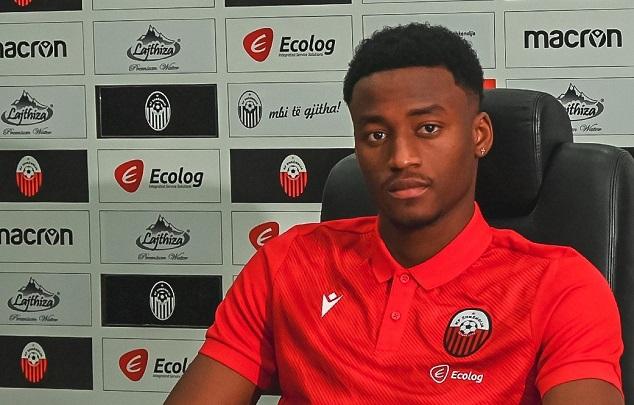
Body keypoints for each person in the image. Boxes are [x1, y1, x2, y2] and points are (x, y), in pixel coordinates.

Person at [165, 23, 623, 404]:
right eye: (376, 135)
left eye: (428, 128)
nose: (401, 157)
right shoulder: (288, 262)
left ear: (479, 135)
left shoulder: (559, 285)